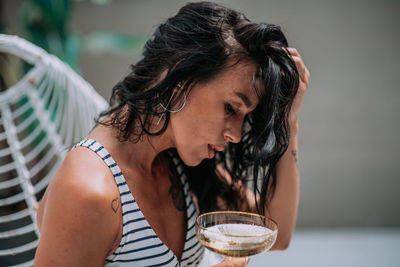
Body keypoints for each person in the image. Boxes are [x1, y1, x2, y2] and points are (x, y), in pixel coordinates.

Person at [33, 1, 309, 266]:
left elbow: (277, 232)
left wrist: (290, 121)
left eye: (244, 117)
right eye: (230, 108)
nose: (236, 135)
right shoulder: (88, 191)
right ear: (181, 76)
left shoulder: (178, 162)